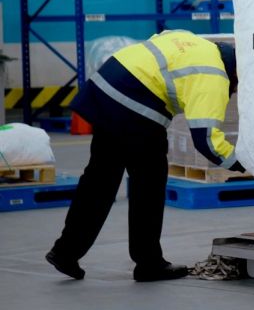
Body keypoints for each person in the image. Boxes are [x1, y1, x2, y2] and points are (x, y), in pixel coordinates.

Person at [46, 30, 243, 281]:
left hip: (106, 85)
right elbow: (206, 141)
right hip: (135, 104)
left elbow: (159, 40)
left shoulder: (195, 42)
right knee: (148, 183)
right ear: (235, 73)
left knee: (100, 180)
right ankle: (149, 263)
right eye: (236, 87)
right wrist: (241, 163)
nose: (234, 92)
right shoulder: (213, 76)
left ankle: (65, 251)